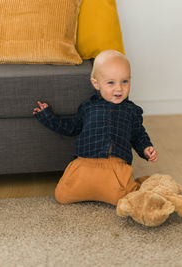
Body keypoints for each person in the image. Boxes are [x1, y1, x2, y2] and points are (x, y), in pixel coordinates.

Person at [33, 50, 157, 206]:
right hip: (84, 164)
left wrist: (146, 148)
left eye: (125, 81)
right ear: (96, 83)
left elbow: (138, 135)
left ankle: (148, 185)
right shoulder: (87, 107)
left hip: (116, 167)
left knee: (129, 199)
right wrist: (48, 116)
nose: (119, 88)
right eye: (111, 83)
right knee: (62, 195)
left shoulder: (132, 110)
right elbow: (71, 128)